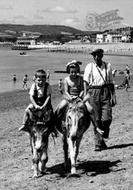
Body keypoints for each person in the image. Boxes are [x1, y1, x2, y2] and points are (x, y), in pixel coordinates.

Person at [55, 60, 103, 134]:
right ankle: (55, 124)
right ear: (69, 71)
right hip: (69, 98)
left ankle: (96, 127)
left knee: (90, 109)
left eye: (75, 72)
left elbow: (83, 90)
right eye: (72, 72)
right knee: (60, 107)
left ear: (77, 71)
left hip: (79, 98)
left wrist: (79, 96)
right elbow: (66, 91)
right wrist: (70, 97)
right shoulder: (66, 80)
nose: (73, 74)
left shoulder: (80, 79)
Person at [84, 49, 115, 151]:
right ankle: (98, 143)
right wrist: (85, 95)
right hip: (94, 92)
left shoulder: (108, 66)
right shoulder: (90, 66)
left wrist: (113, 96)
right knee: (96, 119)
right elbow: (86, 82)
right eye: (94, 55)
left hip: (105, 91)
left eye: (99, 55)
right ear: (93, 57)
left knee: (107, 118)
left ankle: (103, 136)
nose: (97, 57)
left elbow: (110, 82)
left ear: (102, 55)